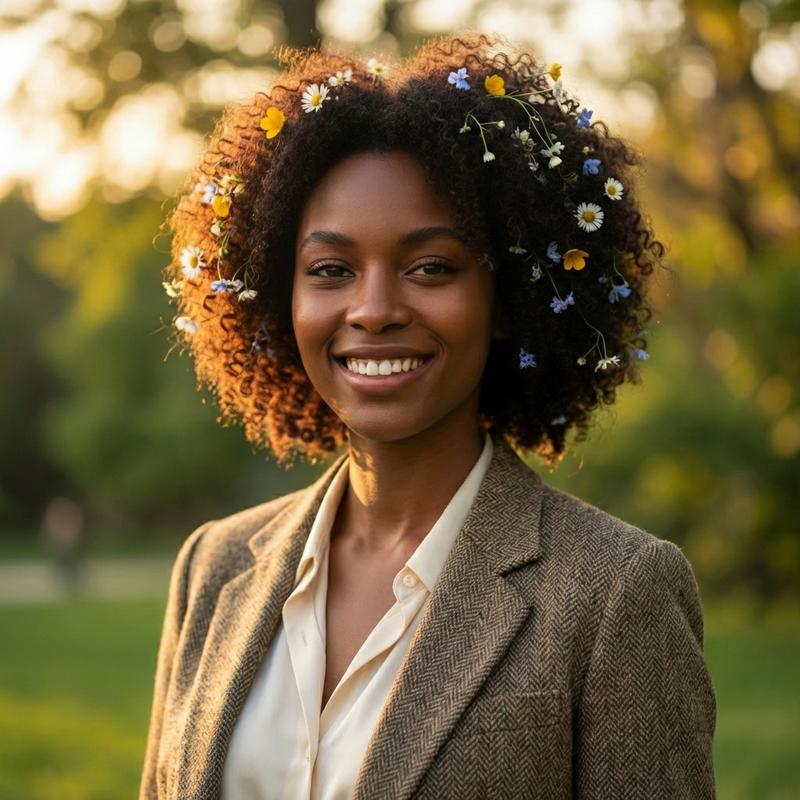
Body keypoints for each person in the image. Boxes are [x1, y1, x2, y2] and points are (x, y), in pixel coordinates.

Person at [141, 34, 717, 799]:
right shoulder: (214, 568)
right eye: (331, 271)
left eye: (431, 268)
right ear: (287, 299)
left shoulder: (615, 594)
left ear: (506, 301)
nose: (373, 310)